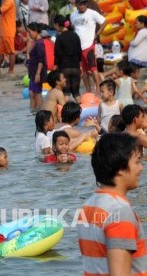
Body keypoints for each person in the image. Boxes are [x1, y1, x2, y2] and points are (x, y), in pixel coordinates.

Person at [77, 133, 147, 275]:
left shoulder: (88, 206)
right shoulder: (120, 211)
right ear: (120, 168)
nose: (141, 168)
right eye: (137, 162)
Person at [70, 0, 107, 95]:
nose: (82, 6)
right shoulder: (73, 15)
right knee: (83, 70)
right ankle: (88, 89)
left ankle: (98, 89)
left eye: (84, 3)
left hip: (89, 45)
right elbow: (74, 28)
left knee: (93, 68)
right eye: (80, 4)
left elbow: (104, 21)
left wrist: (97, 34)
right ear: (76, 4)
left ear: (86, 4)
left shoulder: (92, 13)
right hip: (78, 47)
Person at [53, 15, 82, 104]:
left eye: (54, 25)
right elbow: (79, 52)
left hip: (64, 68)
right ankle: (82, 112)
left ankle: (66, 115)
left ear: (58, 24)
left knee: (66, 93)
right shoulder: (75, 35)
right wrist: (80, 65)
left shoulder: (59, 37)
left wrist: (55, 66)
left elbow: (57, 54)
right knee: (76, 93)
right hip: (76, 68)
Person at [27, 22, 47, 114]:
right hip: (32, 72)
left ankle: (42, 112)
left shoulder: (39, 44)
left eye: (30, 32)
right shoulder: (35, 42)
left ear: (36, 31)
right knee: (31, 93)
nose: (29, 34)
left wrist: (38, 73)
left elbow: (41, 60)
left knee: (37, 92)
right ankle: (33, 112)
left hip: (37, 72)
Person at [0, 0, 17, 76]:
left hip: (8, 30)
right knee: (0, 52)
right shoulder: (4, 2)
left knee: (11, 52)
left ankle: (11, 71)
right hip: (3, 31)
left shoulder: (9, 1)